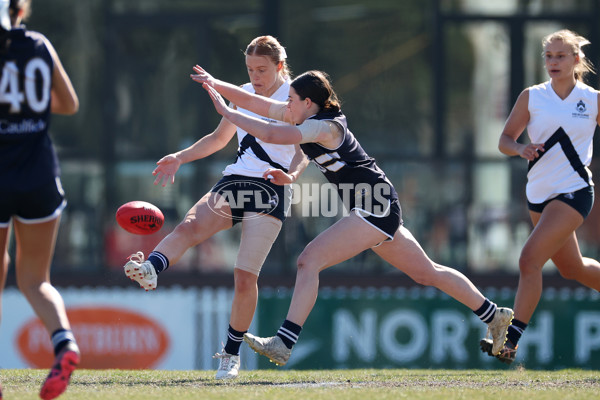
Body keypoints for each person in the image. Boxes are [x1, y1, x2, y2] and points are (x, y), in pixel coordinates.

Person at [191, 66, 514, 367]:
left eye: (290, 100)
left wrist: (227, 113)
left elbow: (273, 135)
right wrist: (217, 84)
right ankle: (493, 315)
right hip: (376, 204)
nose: (284, 105)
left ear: (308, 102)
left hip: (375, 204)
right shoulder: (304, 116)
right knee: (427, 272)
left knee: (308, 260)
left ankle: (284, 341)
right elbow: (259, 105)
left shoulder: (325, 126)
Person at [123, 36, 307, 379]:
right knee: (190, 226)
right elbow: (219, 139)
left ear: (280, 66)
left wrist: (291, 175)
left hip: (271, 187)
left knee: (244, 276)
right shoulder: (241, 92)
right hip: (236, 180)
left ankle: (230, 354)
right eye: (250, 69)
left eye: (263, 70)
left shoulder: (295, 96)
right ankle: (151, 269)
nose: (255, 76)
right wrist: (180, 157)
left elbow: (303, 150)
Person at [479, 29, 600, 364]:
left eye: (560, 56)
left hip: (575, 193)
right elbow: (505, 139)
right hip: (538, 195)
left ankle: (509, 341)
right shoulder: (532, 96)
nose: (553, 62)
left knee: (528, 259)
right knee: (573, 269)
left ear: (576, 59)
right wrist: (520, 148)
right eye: (548, 56)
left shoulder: (592, 99)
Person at [0, 1, 81, 399]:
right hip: (39, 176)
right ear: (19, 11)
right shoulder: (39, 44)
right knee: (35, 279)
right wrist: (27, 106)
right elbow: (69, 103)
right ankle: (65, 342)